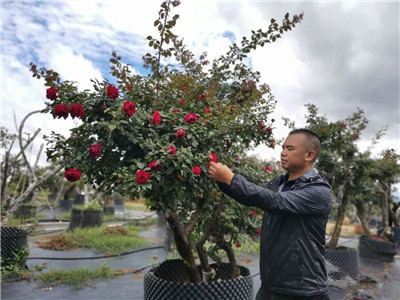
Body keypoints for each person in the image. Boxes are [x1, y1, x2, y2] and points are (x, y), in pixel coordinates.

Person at [208, 128, 332, 300]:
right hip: (270, 285)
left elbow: (276, 201)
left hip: (303, 290)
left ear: (309, 155)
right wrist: (223, 181)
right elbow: (252, 197)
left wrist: (232, 179)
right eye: (283, 148)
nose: (283, 153)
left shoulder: (318, 191)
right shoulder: (278, 182)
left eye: (290, 149)